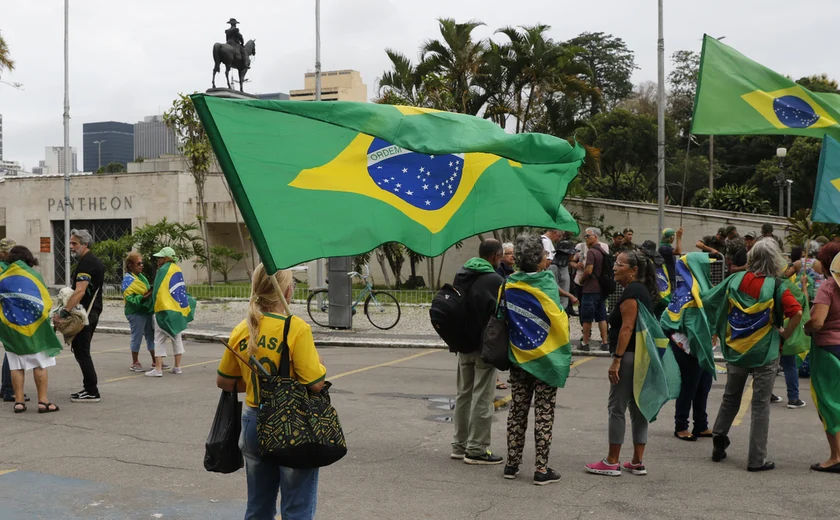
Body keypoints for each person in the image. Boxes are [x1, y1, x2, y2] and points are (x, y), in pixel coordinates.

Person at [217, 264, 325, 519]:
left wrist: (255, 380)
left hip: (253, 420)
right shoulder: (296, 328)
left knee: (258, 506)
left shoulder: (243, 328)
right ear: (287, 291)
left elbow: (225, 381)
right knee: (296, 507)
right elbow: (315, 384)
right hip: (292, 423)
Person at [705, 240, 803, 471]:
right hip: (765, 351)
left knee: (731, 397)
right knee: (760, 405)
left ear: (751, 258)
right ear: (775, 260)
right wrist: (785, 333)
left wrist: (720, 326)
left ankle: (719, 440)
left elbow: (710, 300)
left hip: (736, 348)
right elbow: (796, 313)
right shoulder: (777, 286)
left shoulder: (735, 279)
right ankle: (756, 460)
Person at [585, 250, 660, 477]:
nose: (614, 268)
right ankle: (637, 461)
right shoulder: (642, 290)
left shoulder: (632, 292)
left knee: (616, 407)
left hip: (627, 357)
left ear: (634, 270)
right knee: (638, 409)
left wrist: (616, 361)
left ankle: (612, 461)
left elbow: (627, 327)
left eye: (619, 264)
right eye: (615, 264)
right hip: (641, 357)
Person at [503, 234, 567, 485]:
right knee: (543, 412)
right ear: (539, 259)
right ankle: (541, 468)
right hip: (546, 359)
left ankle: (511, 464)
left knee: (517, 410)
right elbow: (558, 318)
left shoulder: (508, 284)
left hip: (519, 357)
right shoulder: (547, 282)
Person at [449, 239, 505, 464]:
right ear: (495, 256)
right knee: (483, 396)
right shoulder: (495, 280)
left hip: (462, 344)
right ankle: (477, 449)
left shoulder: (461, 274)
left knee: (463, 395)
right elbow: (500, 312)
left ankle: (459, 445)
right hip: (485, 345)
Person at [4, 246, 62, 413]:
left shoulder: (3, 277)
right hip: (34, 328)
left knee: (16, 366)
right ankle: (43, 401)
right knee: (40, 364)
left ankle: (19, 402)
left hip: (12, 328)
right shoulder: (34, 276)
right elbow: (45, 301)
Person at [54, 229, 103, 403]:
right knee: (82, 352)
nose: (71, 247)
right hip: (91, 312)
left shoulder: (87, 263)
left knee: (82, 352)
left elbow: (80, 291)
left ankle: (92, 391)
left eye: (74, 243)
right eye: (71, 243)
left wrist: (63, 312)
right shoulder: (89, 261)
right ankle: (89, 388)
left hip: (86, 314)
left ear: (85, 244)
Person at [803, 242, 840, 472]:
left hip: (829, 351)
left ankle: (836, 457)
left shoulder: (827, 288)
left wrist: (806, 328)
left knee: (828, 403)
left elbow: (817, 321)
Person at [146, 247, 193, 377]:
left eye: (160, 258)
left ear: (166, 258)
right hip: (177, 310)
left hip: (163, 309)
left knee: (159, 339)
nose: (158, 260)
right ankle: (177, 367)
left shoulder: (163, 270)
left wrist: (154, 306)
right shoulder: (177, 269)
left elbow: (157, 290)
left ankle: (158, 369)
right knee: (177, 338)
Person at [0, 238, 27, 404]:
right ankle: (10, 390)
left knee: (10, 350)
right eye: (9, 252)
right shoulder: (5, 269)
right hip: (8, 314)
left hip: (8, 314)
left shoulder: (8, 267)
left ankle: (6, 388)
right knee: (13, 351)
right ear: (2, 253)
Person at [122, 252, 157, 372]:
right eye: (139, 263)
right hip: (135, 312)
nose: (141, 265)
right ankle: (135, 362)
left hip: (146, 310)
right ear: (130, 265)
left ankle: (155, 361)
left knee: (150, 335)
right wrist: (145, 297)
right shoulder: (128, 280)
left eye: (142, 263)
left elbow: (145, 291)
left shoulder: (141, 277)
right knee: (137, 336)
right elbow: (130, 298)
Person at [580, 228, 609, 352]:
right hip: (601, 289)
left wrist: (581, 280)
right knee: (601, 316)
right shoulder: (602, 251)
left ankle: (585, 343)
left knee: (587, 317)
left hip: (590, 289)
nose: (586, 238)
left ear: (595, 237)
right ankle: (605, 342)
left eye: (588, 236)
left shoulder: (591, 252)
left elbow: (588, 270)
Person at [552, 240, 579, 314]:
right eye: (571, 253)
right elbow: (553, 287)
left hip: (564, 306)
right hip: (556, 307)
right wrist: (570, 296)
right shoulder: (553, 267)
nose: (573, 255)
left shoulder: (565, 266)